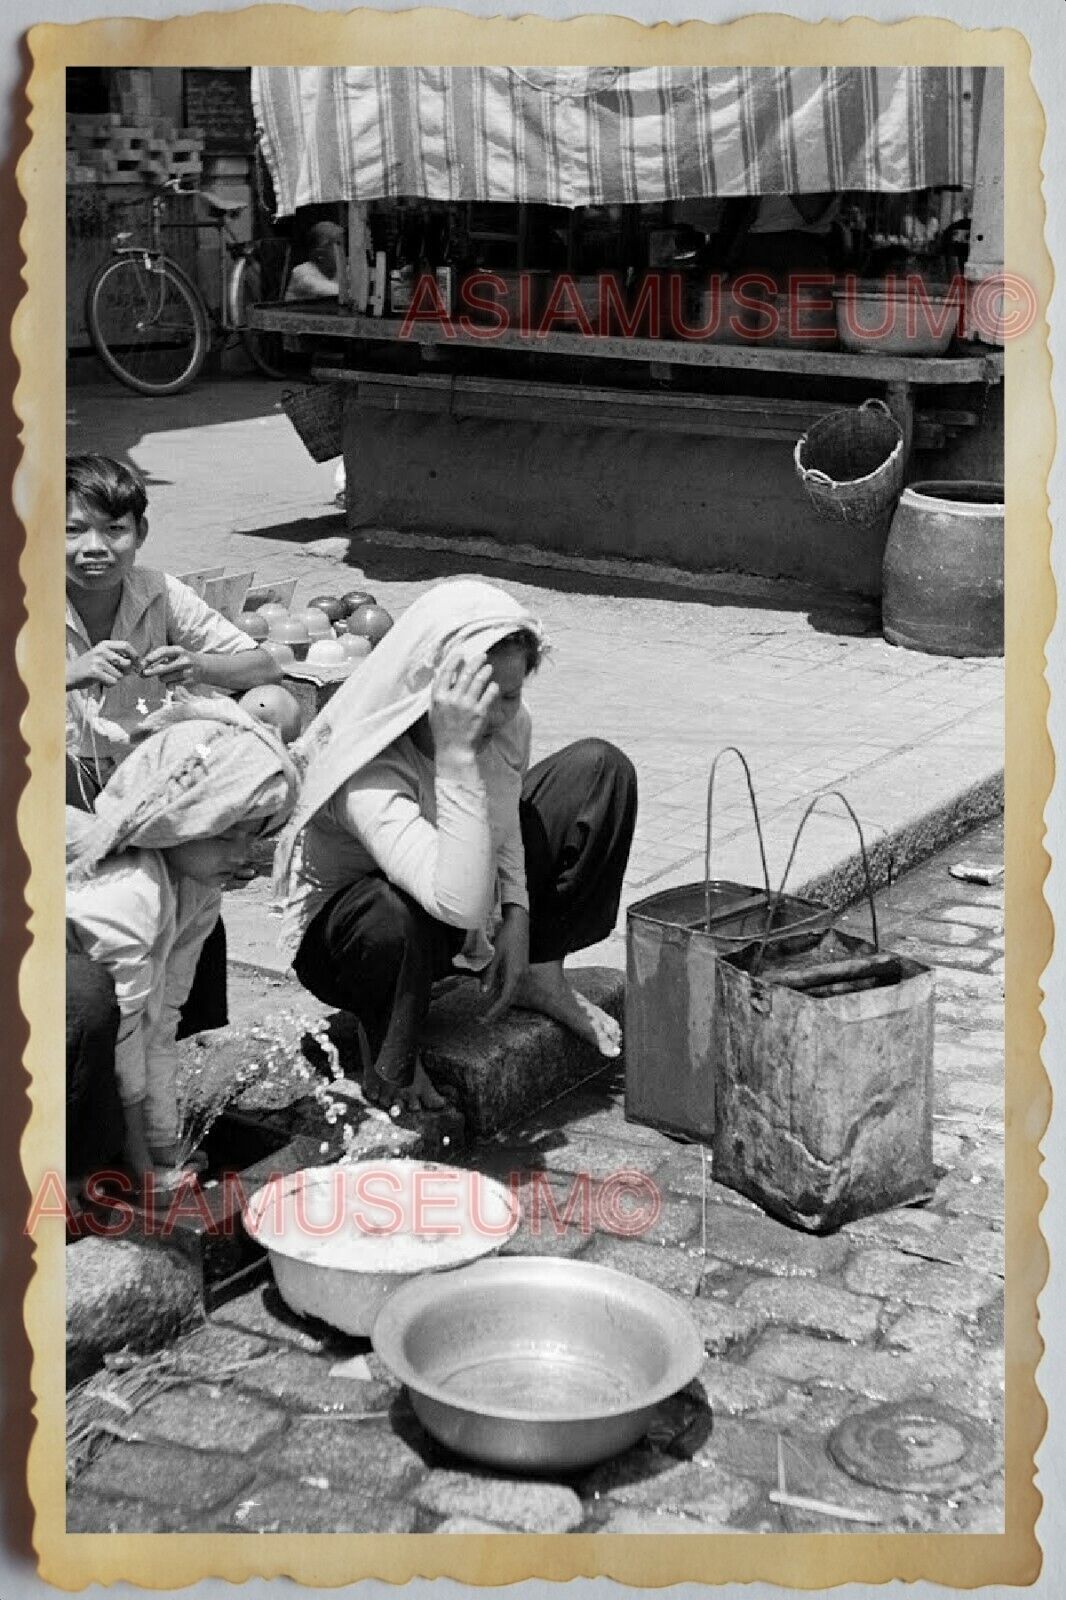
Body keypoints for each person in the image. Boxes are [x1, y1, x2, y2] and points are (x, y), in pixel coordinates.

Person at [275, 579, 637, 1113]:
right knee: (390, 912)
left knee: (598, 770)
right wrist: (456, 757)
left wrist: (517, 909)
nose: (495, 715)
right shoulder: (365, 771)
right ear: (430, 685)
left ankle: (541, 974)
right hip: (360, 941)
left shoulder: (508, 721)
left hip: (453, 905)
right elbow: (457, 901)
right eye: (478, 696)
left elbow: (505, 810)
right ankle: (390, 1043)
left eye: (509, 696)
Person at [66, 699, 301, 1190]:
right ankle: (70, 1172)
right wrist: (144, 1168)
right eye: (225, 835)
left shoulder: (196, 892)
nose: (241, 857)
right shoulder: (130, 891)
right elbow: (127, 1040)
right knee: (92, 1013)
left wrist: (164, 1140)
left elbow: (162, 1015)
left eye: (251, 837)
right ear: (179, 817)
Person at [65, 452, 282, 806]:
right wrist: (68, 675)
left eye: (114, 529)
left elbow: (266, 668)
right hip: (63, 771)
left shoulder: (159, 592)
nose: (94, 548)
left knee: (274, 705)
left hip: (151, 765)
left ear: (140, 533)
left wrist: (197, 665)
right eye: (73, 530)